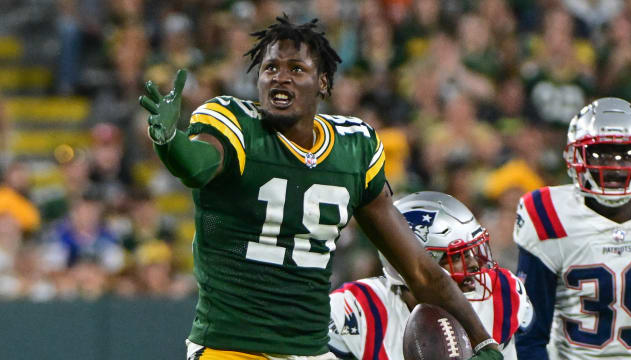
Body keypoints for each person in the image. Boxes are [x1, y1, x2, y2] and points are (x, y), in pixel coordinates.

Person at [138, 16, 501, 360]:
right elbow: (198, 166)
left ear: (323, 82)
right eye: (271, 68)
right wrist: (171, 141)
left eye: (296, 69)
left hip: (310, 349)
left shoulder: (353, 148)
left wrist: (481, 339)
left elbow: (418, 269)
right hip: (232, 346)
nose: (280, 77)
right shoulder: (236, 124)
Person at [328, 191, 533, 360]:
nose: (473, 264)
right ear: (415, 263)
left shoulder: (503, 293)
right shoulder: (356, 310)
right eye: (457, 256)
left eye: (472, 251)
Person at [514, 97, 631, 359]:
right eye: (601, 154)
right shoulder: (548, 214)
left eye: (627, 156)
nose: (615, 168)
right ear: (575, 156)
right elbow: (530, 335)